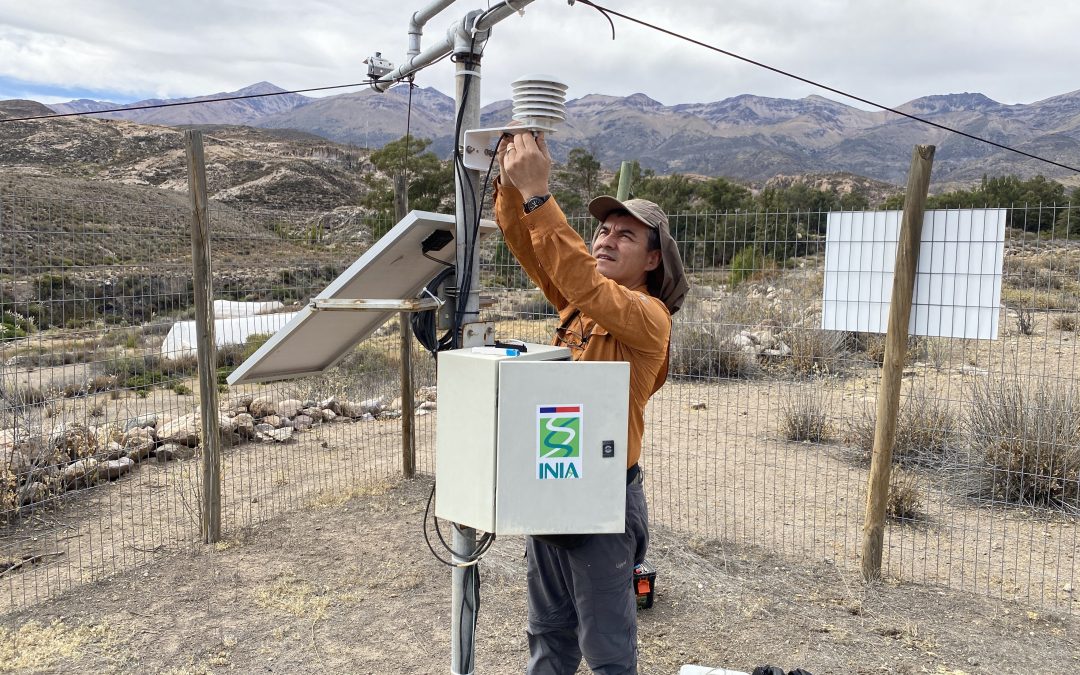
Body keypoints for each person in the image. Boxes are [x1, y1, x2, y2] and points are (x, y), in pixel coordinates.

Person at [494, 129, 688, 674]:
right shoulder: (582, 306)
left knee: (605, 648)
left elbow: (585, 282)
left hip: (605, 498)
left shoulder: (650, 318)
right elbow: (532, 249)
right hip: (554, 477)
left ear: (653, 260)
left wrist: (539, 193)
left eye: (625, 235)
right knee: (549, 633)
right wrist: (511, 184)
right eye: (602, 229)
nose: (605, 239)